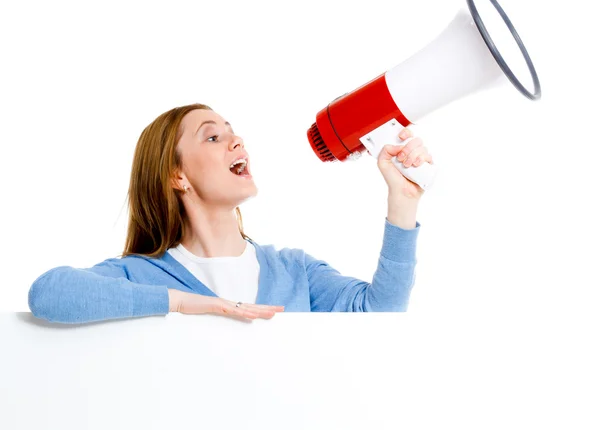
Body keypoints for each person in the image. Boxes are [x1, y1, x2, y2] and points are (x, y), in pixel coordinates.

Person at [28, 103, 432, 324]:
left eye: (232, 130)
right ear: (177, 175)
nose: (236, 140)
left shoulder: (295, 271)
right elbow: (48, 293)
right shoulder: (140, 275)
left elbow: (381, 314)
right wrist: (192, 304)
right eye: (213, 136)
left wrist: (403, 200)